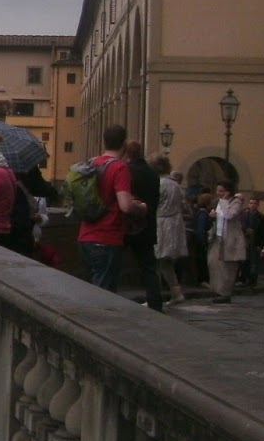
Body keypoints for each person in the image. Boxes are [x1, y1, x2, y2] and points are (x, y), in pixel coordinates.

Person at [76, 124, 148, 291]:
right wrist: (141, 207)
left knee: (91, 290)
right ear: (124, 143)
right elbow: (125, 206)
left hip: (85, 236)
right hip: (107, 237)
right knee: (104, 294)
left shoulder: (91, 163)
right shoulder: (119, 167)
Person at [122, 140, 162, 310]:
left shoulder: (125, 170)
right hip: (147, 226)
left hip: (126, 225)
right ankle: (156, 303)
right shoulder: (152, 174)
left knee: (114, 264)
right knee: (149, 268)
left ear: (127, 153)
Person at [152, 156, 188, 305]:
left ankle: (155, 296)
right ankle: (176, 293)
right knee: (165, 263)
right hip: (174, 225)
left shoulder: (159, 184)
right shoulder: (176, 185)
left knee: (157, 260)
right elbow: (184, 206)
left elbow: (153, 203)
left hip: (161, 223)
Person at [206, 183, 247, 304]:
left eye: (221, 191)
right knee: (213, 262)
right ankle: (217, 289)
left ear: (228, 191)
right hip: (218, 236)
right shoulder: (219, 202)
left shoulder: (236, 202)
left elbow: (230, 215)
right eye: (218, 191)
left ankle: (225, 293)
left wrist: (224, 201)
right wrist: (214, 215)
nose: (218, 193)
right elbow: (220, 216)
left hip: (230, 238)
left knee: (227, 267)